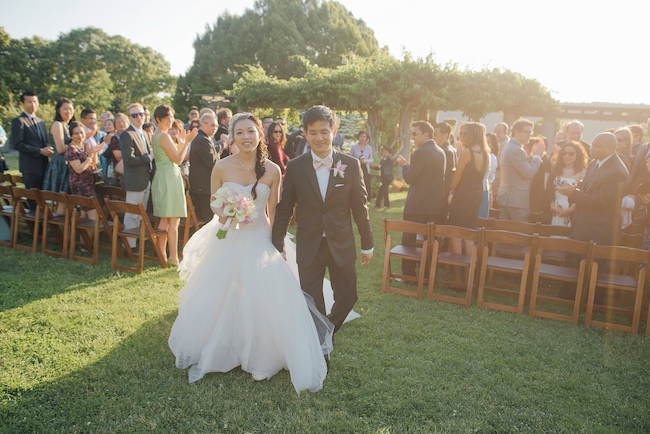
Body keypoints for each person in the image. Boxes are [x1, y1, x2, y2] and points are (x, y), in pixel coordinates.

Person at [169, 112, 333, 393]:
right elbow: (212, 203)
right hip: (228, 238)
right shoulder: (220, 167)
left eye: (251, 131)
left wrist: (276, 244)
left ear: (260, 135)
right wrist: (228, 210)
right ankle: (221, 348)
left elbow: (274, 212)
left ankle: (261, 355)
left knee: (263, 296)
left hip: (258, 236)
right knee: (222, 294)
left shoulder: (271, 170)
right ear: (232, 137)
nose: (246, 137)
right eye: (240, 132)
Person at [272, 105, 374, 333]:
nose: (319, 138)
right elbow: (284, 208)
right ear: (305, 133)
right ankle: (321, 350)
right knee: (312, 302)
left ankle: (326, 330)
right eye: (313, 132)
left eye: (324, 131)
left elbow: (360, 208)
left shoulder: (349, 164)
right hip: (310, 245)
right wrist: (277, 245)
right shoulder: (296, 166)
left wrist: (367, 244)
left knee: (348, 296)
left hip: (341, 242)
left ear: (334, 130)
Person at [557, 132, 629, 246]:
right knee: (574, 261)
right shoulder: (594, 163)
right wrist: (574, 186)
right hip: (582, 227)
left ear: (610, 148)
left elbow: (602, 201)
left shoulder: (617, 171)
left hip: (597, 233)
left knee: (590, 263)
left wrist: (573, 193)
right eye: (592, 144)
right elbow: (588, 185)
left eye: (596, 146)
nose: (591, 148)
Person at [396, 120, 447, 276]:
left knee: (409, 240)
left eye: (415, 133)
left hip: (417, 205)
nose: (413, 137)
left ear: (426, 134)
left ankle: (408, 274)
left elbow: (411, 178)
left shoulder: (420, 153)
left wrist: (404, 166)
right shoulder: (441, 151)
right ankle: (428, 274)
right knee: (431, 241)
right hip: (437, 205)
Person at [151, 105, 197, 266]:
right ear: (158, 119)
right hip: (170, 176)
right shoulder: (163, 136)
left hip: (163, 175)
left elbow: (172, 154)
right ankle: (173, 257)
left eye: (171, 117)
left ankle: (163, 255)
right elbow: (178, 159)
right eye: (167, 118)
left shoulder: (156, 135)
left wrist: (183, 142)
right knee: (173, 219)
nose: (170, 120)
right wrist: (187, 143)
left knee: (165, 218)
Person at [448, 122, 489, 254]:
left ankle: (458, 271)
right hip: (477, 194)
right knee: (468, 232)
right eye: (461, 133)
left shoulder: (467, 152)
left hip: (463, 195)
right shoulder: (485, 153)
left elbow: (457, 178)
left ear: (474, 135)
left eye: (465, 133)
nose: (462, 136)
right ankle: (470, 269)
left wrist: (451, 193)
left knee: (456, 234)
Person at [120, 103, 154, 250]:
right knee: (132, 214)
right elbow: (129, 160)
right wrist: (148, 158)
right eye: (135, 115)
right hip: (135, 181)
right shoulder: (126, 134)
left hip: (146, 179)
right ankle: (129, 246)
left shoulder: (144, 133)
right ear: (129, 117)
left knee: (140, 214)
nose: (139, 117)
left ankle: (136, 242)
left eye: (141, 114)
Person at [11, 91, 53, 210]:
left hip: (44, 165)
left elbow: (44, 142)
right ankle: (35, 227)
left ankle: (44, 225)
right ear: (22, 104)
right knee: (34, 200)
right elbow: (18, 144)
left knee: (44, 198)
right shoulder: (19, 121)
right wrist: (39, 151)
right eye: (29, 102)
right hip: (30, 167)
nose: (32, 104)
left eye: (35, 101)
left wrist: (49, 149)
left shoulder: (41, 122)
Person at [497, 118, 544, 222]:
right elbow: (528, 173)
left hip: (508, 198)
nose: (529, 135)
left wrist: (532, 155)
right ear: (516, 132)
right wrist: (538, 157)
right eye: (526, 132)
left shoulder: (511, 146)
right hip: (516, 200)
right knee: (518, 235)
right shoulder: (516, 149)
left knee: (503, 234)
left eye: (531, 132)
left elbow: (519, 165)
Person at [42, 97, 75, 215]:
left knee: (68, 202)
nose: (68, 112)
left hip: (69, 165)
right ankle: (59, 230)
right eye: (65, 109)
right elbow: (60, 148)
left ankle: (64, 229)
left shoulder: (69, 126)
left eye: (71, 109)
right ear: (58, 110)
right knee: (62, 200)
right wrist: (77, 143)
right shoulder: (57, 124)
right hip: (60, 164)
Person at [547, 141, 588, 227]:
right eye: (564, 153)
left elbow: (583, 192)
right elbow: (549, 189)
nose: (567, 156)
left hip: (572, 210)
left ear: (578, 155)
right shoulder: (556, 169)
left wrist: (569, 210)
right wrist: (552, 207)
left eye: (571, 153)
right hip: (555, 208)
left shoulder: (583, 171)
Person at [189, 114, 220, 222]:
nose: (214, 128)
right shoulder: (202, 139)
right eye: (212, 125)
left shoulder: (203, 138)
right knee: (207, 221)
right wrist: (222, 145)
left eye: (216, 126)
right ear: (203, 123)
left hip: (202, 187)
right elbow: (213, 162)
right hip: (203, 188)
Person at [65, 122, 98, 220]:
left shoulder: (85, 145)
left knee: (84, 216)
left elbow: (94, 163)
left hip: (89, 183)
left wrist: (94, 152)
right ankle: (89, 235)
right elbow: (78, 169)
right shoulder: (71, 149)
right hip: (80, 186)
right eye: (76, 133)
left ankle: (81, 235)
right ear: (71, 135)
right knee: (93, 217)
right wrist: (89, 157)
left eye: (82, 133)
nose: (80, 136)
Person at [103, 113, 129, 187]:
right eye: (118, 122)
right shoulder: (115, 138)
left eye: (123, 121)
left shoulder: (130, 135)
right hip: (120, 171)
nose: (121, 124)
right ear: (115, 125)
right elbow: (118, 156)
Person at [434, 122, 457, 197]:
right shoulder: (451, 149)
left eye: (435, 134)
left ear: (445, 135)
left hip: (442, 191)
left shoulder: (446, 151)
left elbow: (443, 173)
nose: (433, 137)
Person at [479, 133, 499, 218]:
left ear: (493, 146)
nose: (486, 143)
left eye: (489, 142)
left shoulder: (491, 157)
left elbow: (488, 175)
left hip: (485, 188)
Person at [349, 130, 374, 200]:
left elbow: (371, 159)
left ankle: (367, 198)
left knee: (366, 183)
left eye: (364, 136)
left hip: (366, 168)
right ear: (358, 137)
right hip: (357, 168)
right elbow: (350, 157)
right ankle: (356, 198)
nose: (363, 138)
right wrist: (358, 161)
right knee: (357, 183)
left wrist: (365, 161)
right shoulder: (354, 147)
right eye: (361, 136)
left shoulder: (369, 148)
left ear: (366, 138)